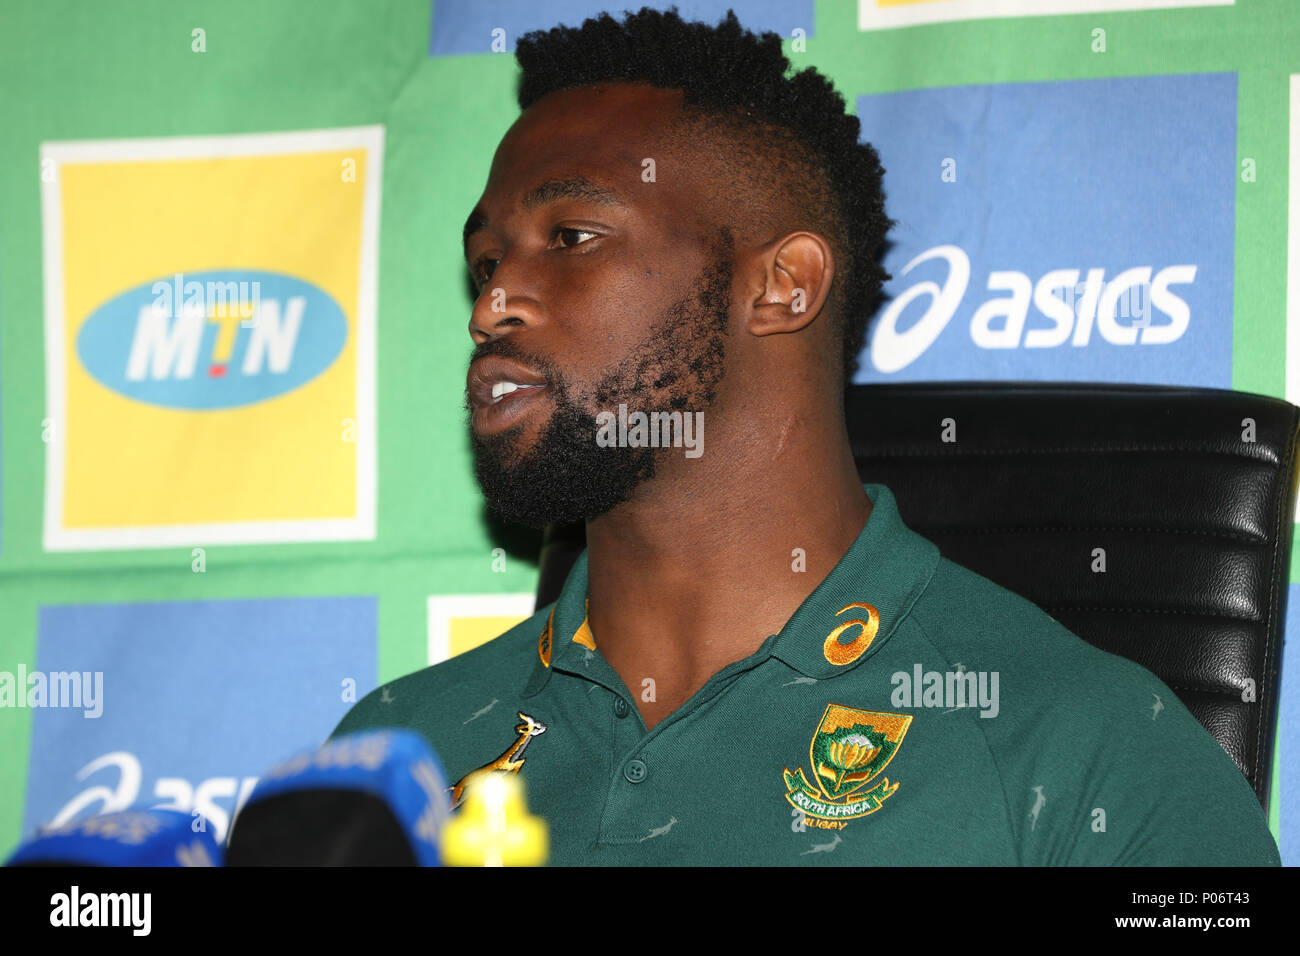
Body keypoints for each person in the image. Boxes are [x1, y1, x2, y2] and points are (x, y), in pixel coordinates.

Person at [333, 6, 1280, 865]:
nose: (494, 303)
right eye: (485, 260)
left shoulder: (1092, 757)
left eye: (572, 236)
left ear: (782, 285)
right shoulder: (393, 760)